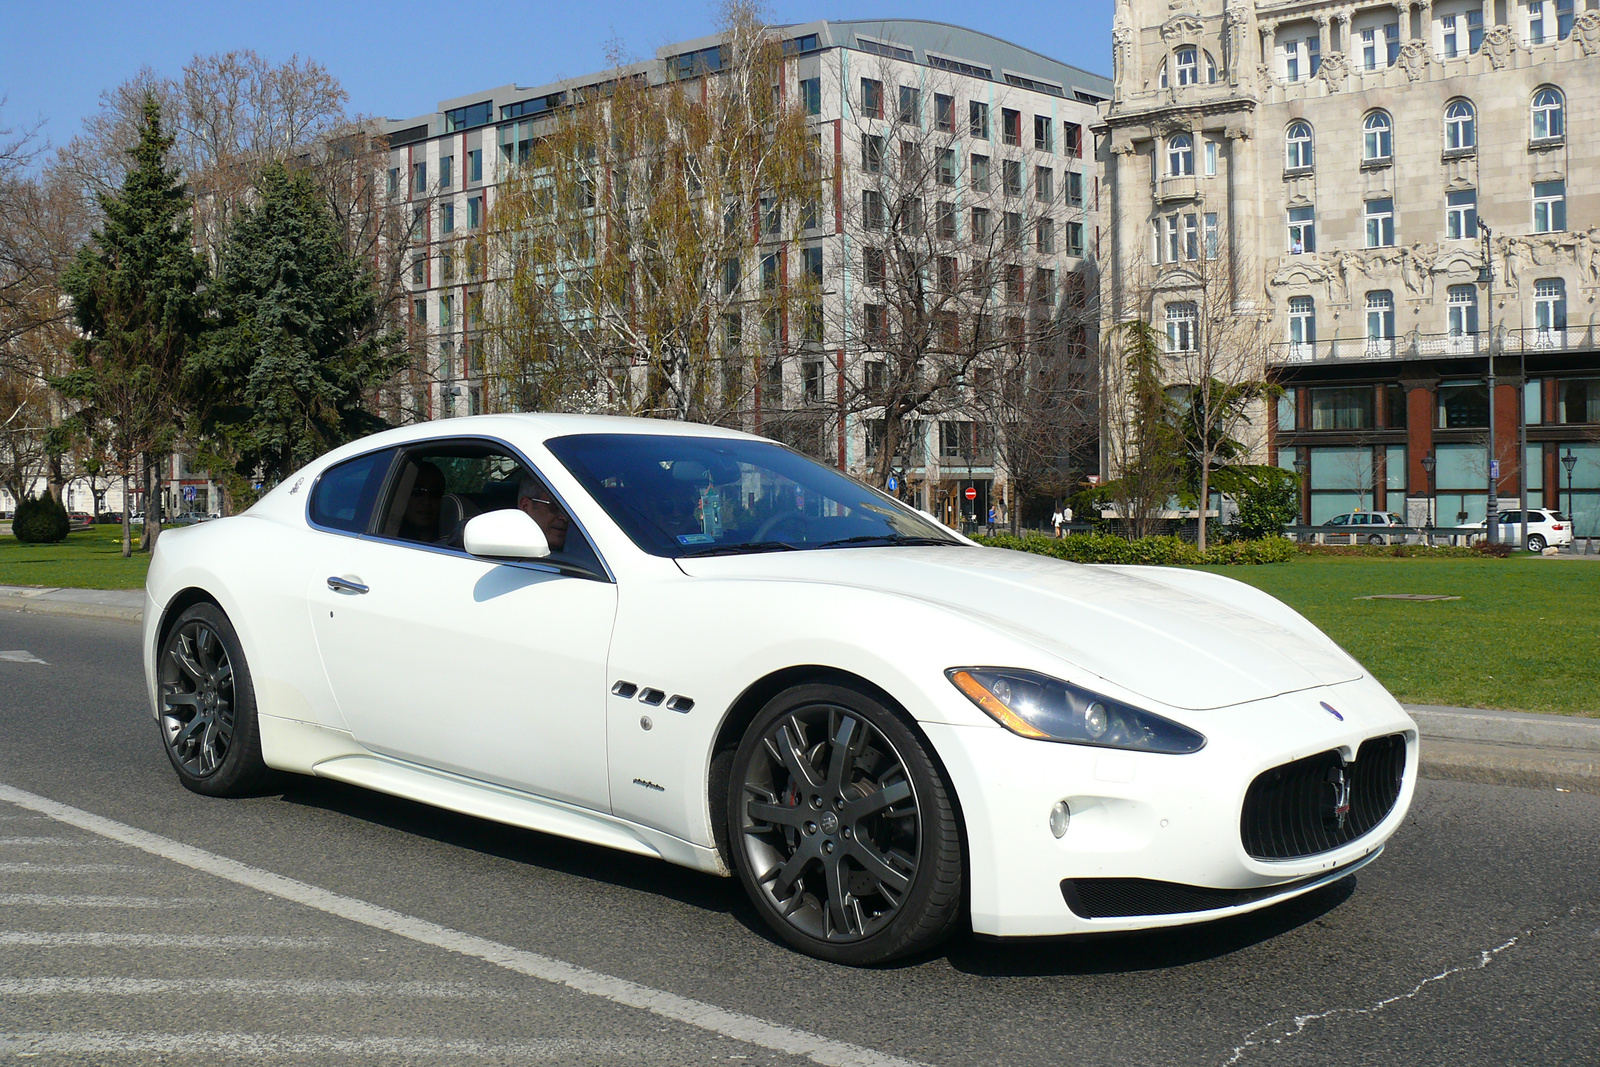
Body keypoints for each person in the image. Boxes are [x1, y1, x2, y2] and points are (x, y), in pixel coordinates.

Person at [517, 471, 569, 552]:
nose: (565, 518)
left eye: (570, 511)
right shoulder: (504, 550)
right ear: (525, 507)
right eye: (554, 507)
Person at [396, 461, 446, 542]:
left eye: (435, 493)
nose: (426, 502)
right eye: (417, 491)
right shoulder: (390, 540)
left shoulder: (453, 542)